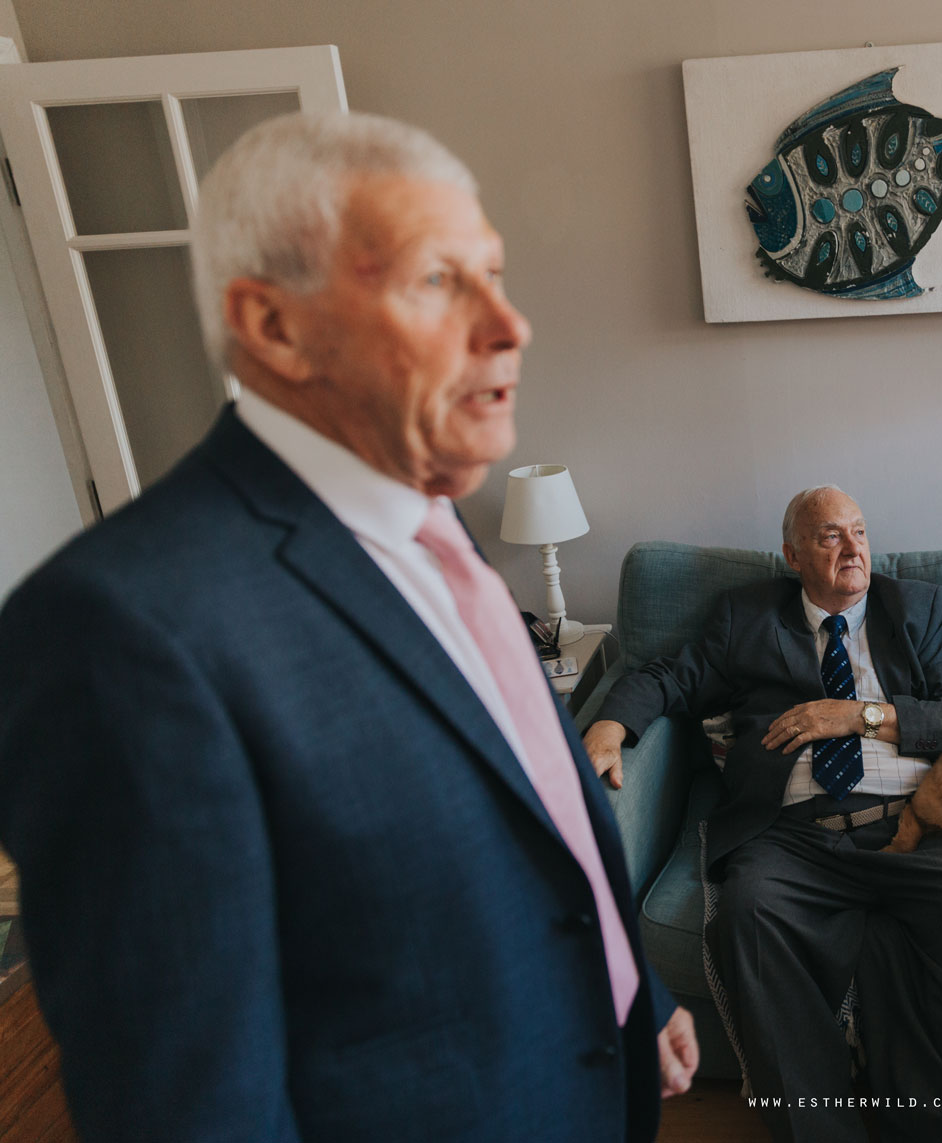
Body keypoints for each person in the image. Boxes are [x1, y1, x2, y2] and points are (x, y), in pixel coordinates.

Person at [0, 112, 695, 1142]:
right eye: (436, 281)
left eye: (494, 275)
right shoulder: (118, 630)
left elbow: (535, 812)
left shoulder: (429, 520)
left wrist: (636, 989)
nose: (510, 326)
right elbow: (190, 1106)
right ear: (274, 328)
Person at [584, 485, 942, 1143]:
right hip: (793, 831)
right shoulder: (744, 617)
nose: (854, 546)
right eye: (832, 535)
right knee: (747, 911)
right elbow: (665, 675)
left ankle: (937, 1129)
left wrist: (858, 714)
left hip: (915, 824)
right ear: (793, 554)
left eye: (859, 530)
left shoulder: (915, 606)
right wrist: (608, 725)